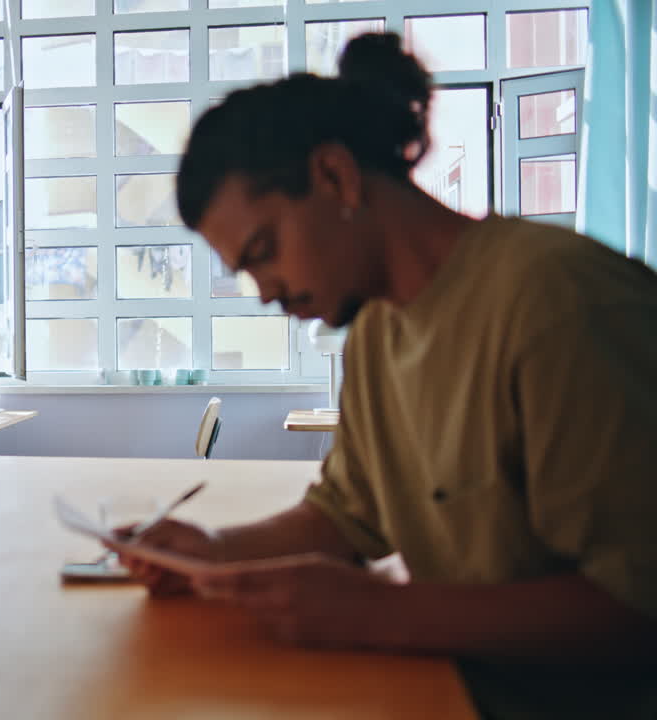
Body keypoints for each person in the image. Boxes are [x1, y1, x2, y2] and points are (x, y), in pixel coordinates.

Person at [109, 33, 657, 718]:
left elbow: (638, 607)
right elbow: (346, 516)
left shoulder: (558, 305)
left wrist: (379, 613)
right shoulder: (375, 334)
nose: (266, 292)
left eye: (265, 250)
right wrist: (213, 554)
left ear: (336, 176)